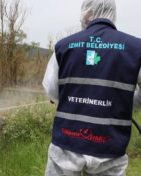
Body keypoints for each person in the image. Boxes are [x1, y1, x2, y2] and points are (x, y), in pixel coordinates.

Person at [42, 0, 141, 175]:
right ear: (113, 13)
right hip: (110, 147)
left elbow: (51, 89)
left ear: (87, 13)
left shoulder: (64, 46)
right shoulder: (136, 49)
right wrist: (123, 102)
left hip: (66, 143)